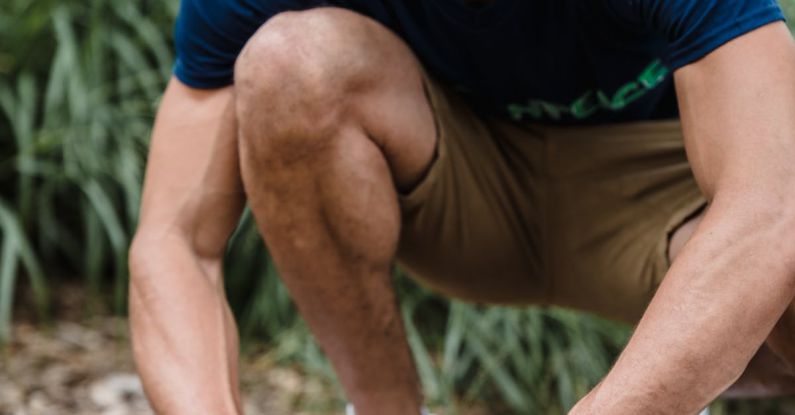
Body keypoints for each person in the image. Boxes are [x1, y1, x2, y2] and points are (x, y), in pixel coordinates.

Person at [127, 0, 795, 413]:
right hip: (460, 182)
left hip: (662, 194)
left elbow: (770, 211)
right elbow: (175, 242)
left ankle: (677, 385)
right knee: (289, 65)